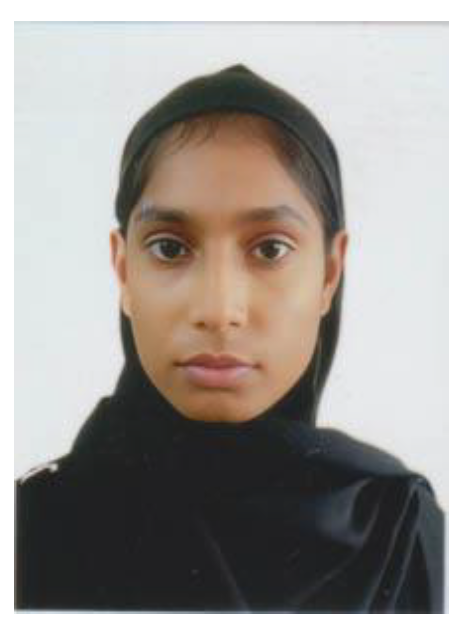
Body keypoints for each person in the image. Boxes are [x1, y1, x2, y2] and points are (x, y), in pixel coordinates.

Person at [15, 64, 445, 612]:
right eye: (170, 248)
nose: (218, 311)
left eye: (270, 249)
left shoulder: (402, 535)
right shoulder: (30, 530)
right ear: (124, 272)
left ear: (330, 273)